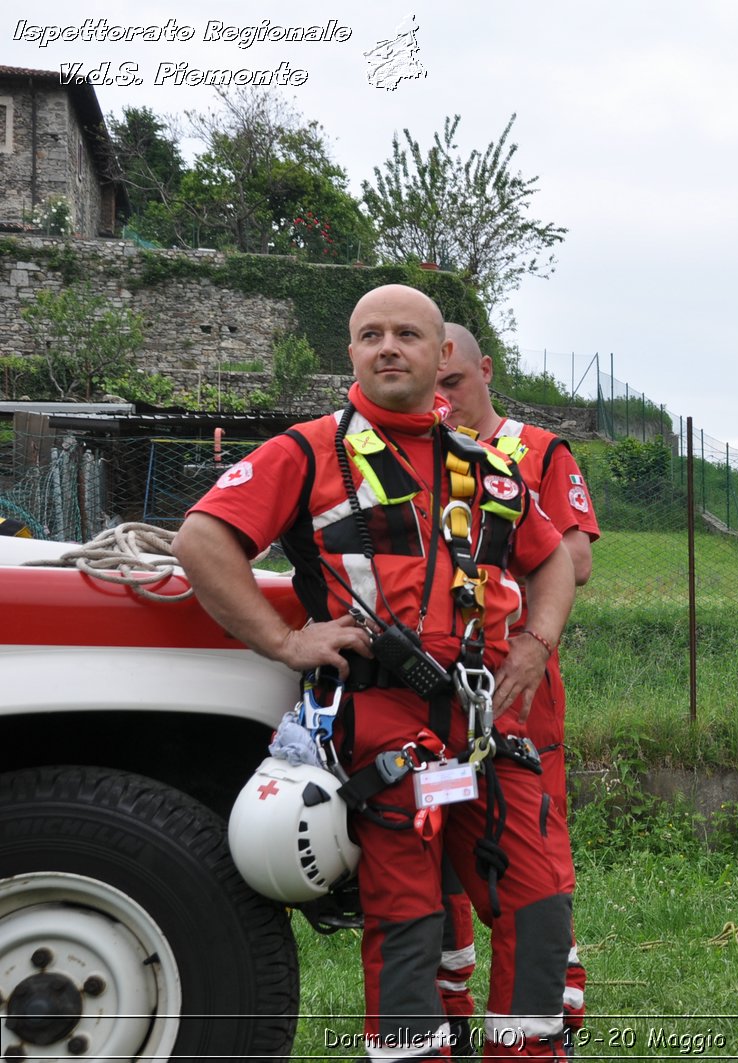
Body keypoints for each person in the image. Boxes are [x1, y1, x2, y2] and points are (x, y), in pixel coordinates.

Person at [175, 284, 577, 1060]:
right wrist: (286, 642)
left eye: (406, 334)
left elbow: (553, 556)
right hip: (385, 732)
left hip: (490, 733)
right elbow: (202, 540)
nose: (387, 346)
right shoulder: (307, 450)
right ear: (352, 353)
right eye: (369, 335)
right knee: (408, 917)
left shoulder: (487, 467)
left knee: (542, 902)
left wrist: (537, 640)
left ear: (442, 355)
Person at [432, 323, 601, 1057]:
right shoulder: (404, 452)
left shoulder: (535, 451)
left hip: (520, 682)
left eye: (454, 384)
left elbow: (574, 558)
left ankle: (553, 1009)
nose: (443, 401)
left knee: (534, 851)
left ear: (485, 371)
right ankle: (448, 1008)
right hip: (433, 687)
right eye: (433, 389)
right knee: (433, 846)